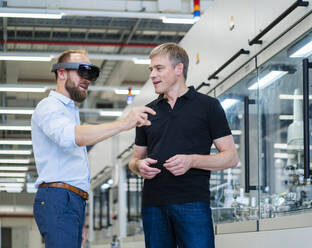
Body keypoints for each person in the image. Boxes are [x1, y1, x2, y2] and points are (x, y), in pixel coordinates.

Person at [31, 49, 155, 248]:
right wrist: (124, 123)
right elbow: (72, 136)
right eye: (81, 72)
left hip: (71, 200)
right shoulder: (49, 106)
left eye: (90, 74)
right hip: (59, 198)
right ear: (61, 73)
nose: (87, 79)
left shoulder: (70, 110)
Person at [129, 43, 239, 248]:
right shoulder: (147, 113)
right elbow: (134, 160)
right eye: (150, 69)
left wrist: (192, 160)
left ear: (179, 69)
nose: (152, 74)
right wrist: (139, 166)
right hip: (153, 206)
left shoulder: (208, 106)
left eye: (159, 68)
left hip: (193, 203)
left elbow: (231, 157)